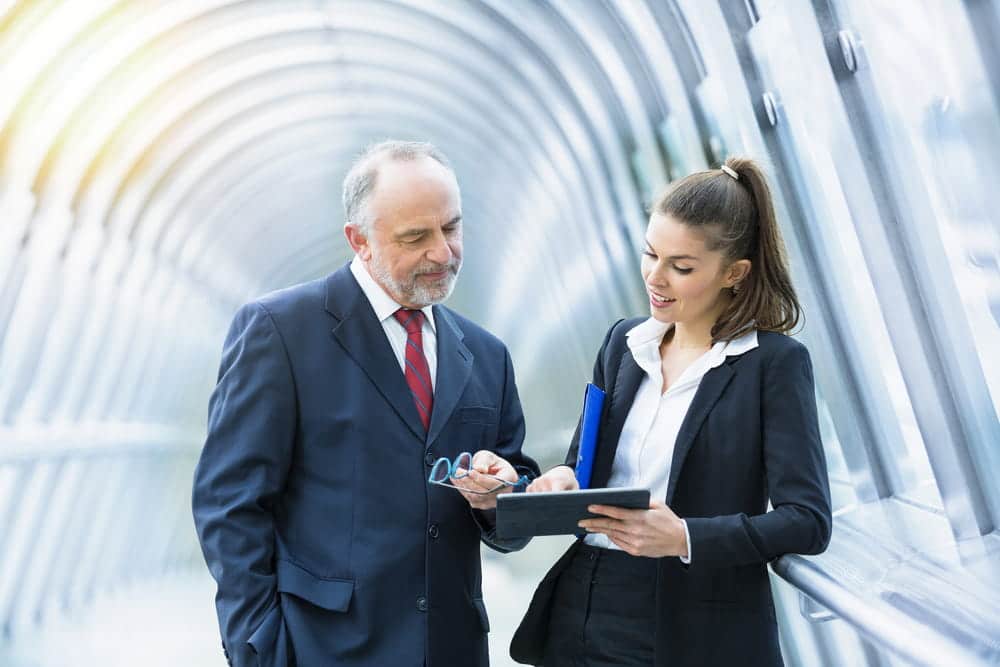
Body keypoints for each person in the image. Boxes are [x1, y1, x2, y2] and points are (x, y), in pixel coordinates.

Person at [192, 140, 539, 667]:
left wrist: (502, 497)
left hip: (451, 649)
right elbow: (229, 505)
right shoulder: (281, 333)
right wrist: (258, 650)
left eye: (451, 228)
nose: (443, 253)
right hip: (321, 649)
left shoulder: (487, 354)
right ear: (360, 241)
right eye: (415, 237)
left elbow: (514, 494)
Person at [510, 157, 832, 667]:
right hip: (583, 606)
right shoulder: (623, 343)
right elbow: (584, 465)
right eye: (650, 254)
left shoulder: (773, 364)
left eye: (681, 267)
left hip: (688, 623)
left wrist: (684, 537)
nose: (656, 278)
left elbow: (807, 521)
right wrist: (564, 481)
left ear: (735, 273)